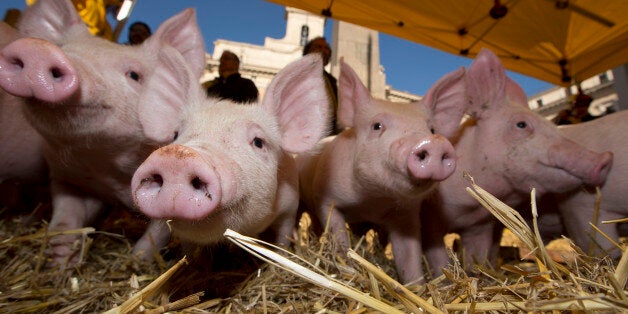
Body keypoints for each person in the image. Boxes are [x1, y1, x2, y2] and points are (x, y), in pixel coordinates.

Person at [302, 36, 340, 134]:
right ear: (308, 53)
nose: (323, 50)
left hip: (328, 134)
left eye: (326, 48)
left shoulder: (331, 81)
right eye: (318, 47)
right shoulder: (297, 74)